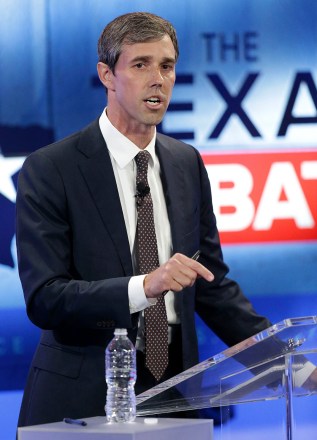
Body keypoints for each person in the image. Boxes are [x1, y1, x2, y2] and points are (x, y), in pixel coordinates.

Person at [16, 12, 272, 427]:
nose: (158, 79)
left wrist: (286, 364)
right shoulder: (52, 169)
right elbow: (46, 297)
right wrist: (143, 287)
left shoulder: (186, 162)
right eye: (141, 64)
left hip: (175, 391)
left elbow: (212, 286)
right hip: (82, 398)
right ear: (107, 75)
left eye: (167, 66)